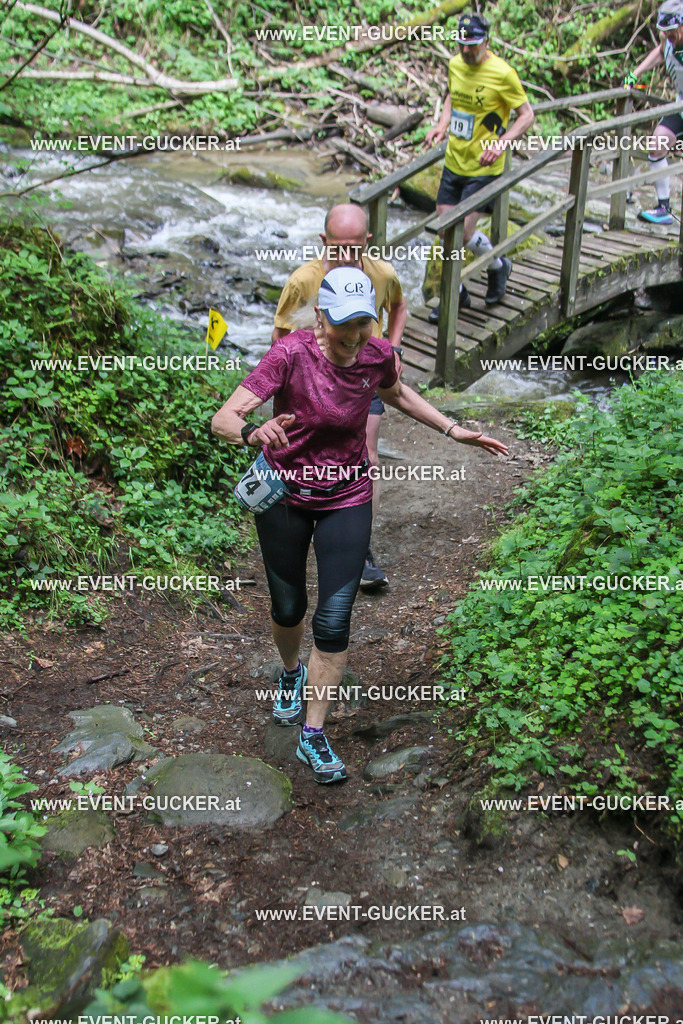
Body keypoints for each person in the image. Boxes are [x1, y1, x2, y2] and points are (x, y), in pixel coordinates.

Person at [211, 267, 509, 784]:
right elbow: (223, 417)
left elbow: (397, 394)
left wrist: (452, 428)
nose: (353, 337)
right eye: (344, 325)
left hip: (347, 496)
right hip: (286, 495)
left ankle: (313, 733)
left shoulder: (376, 355)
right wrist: (254, 431)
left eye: (363, 325)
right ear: (322, 316)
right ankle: (289, 673)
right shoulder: (291, 354)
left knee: (333, 618)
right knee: (289, 607)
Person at [271, 203, 407, 591]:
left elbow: (398, 307)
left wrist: (393, 350)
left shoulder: (381, 272)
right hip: (312, 384)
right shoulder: (303, 280)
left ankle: (361, 549)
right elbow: (280, 336)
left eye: (354, 247)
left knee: (369, 453)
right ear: (323, 242)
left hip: (364, 376)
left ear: (367, 241)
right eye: (337, 248)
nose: (346, 256)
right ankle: (305, 522)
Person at [424, 12, 534, 323]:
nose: (466, 51)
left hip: (485, 164)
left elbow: (526, 115)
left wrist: (502, 144)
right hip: (455, 160)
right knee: (446, 232)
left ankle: (481, 276)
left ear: (486, 42)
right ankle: (464, 288)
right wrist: (442, 125)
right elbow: (451, 96)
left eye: (472, 46)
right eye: (462, 45)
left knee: (464, 232)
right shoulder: (456, 64)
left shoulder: (502, 73)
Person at [622, 0, 683, 224]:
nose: (668, 36)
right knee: (658, 144)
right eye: (664, 32)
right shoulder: (667, 41)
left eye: (672, 32)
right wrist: (635, 74)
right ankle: (664, 208)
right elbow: (660, 52)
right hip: (680, 105)